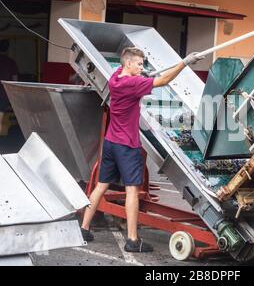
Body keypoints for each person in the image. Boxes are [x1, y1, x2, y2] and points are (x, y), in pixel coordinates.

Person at [80, 47, 204, 252]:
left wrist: (141, 74)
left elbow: (135, 77)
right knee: (131, 191)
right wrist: (185, 62)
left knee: (101, 186)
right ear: (128, 63)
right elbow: (163, 81)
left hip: (110, 142)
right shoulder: (133, 83)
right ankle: (132, 241)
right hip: (127, 146)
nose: (142, 67)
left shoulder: (115, 77)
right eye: (139, 63)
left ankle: (84, 228)